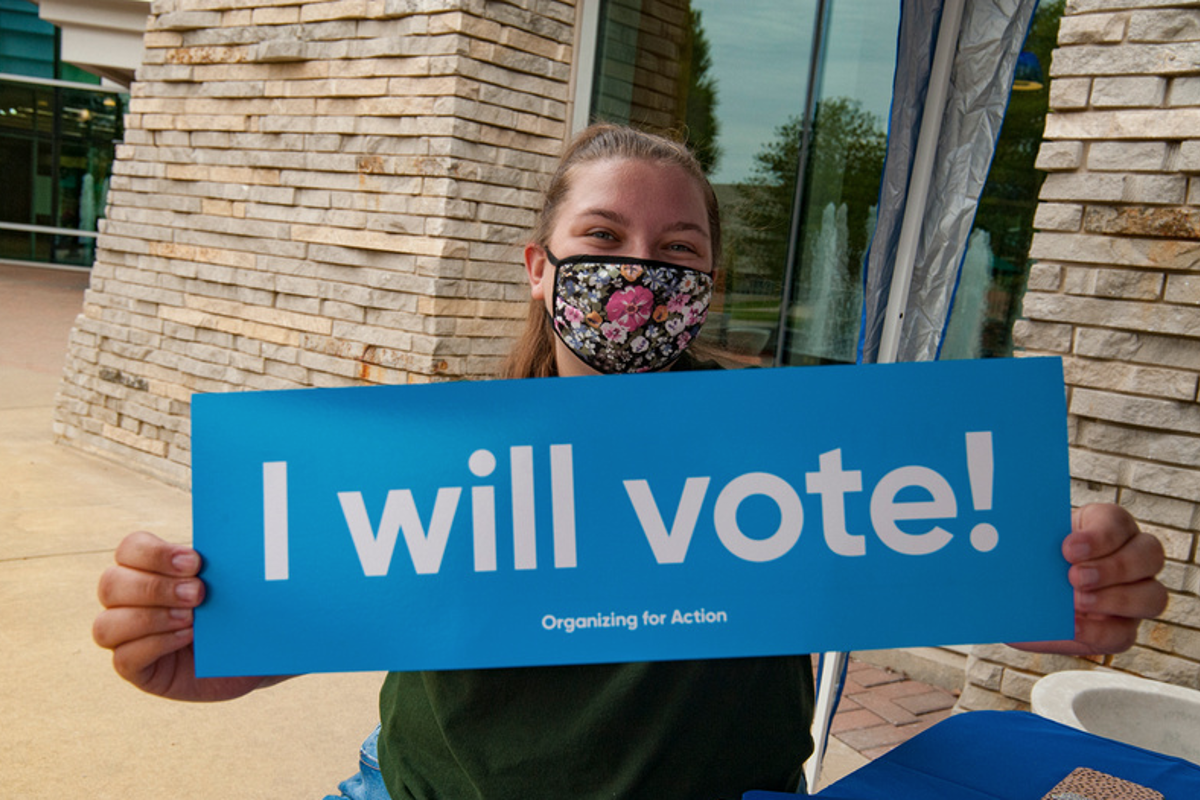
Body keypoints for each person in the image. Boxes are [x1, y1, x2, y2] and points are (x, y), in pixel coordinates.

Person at [93, 124, 1168, 799]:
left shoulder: (796, 439)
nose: (637, 274)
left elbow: (967, 566)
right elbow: (288, 621)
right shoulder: (431, 452)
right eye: (602, 240)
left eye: (677, 252)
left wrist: (1069, 577)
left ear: (710, 277)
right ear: (538, 266)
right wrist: (189, 650)